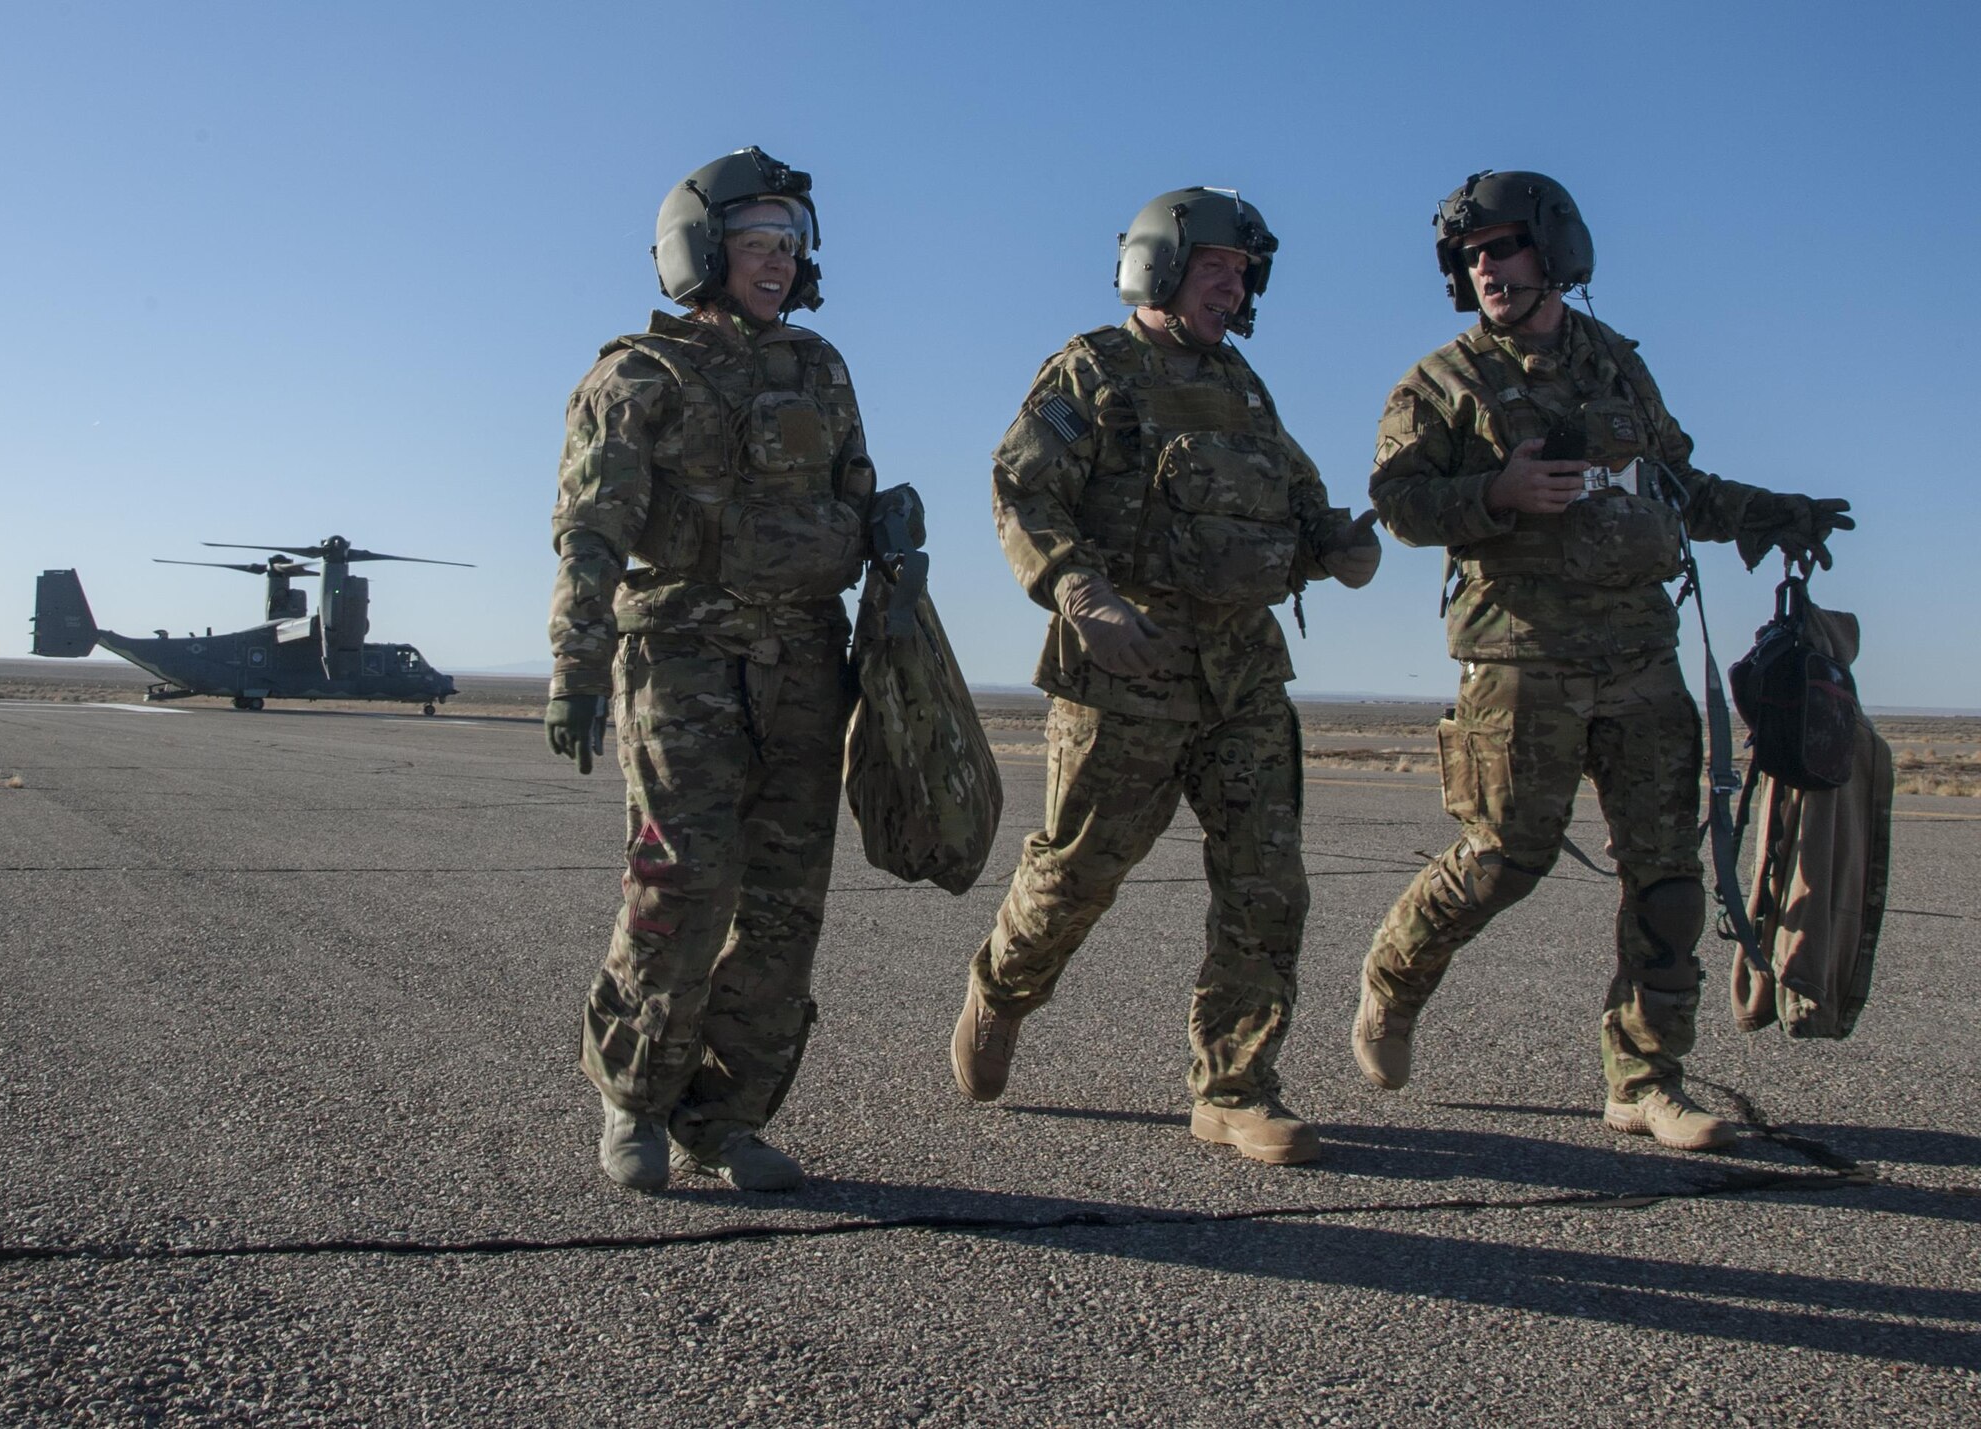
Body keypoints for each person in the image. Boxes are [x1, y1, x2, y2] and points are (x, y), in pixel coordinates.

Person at [1353, 170, 1853, 1151]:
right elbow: (1399, 501)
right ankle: (1393, 979)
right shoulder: (1439, 382)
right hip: (1517, 659)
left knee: (1666, 874)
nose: (1485, 267)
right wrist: (1495, 492)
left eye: (1502, 246)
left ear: (1553, 250)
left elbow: (1679, 487)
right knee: (1501, 861)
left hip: (1636, 653)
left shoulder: (1617, 368)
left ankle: (1643, 1075)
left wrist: (1776, 516)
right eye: (1471, 255)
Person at [949, 187, 1383, 1166]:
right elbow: (1021, 485)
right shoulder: (1093, 370)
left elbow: (1297, 501)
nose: (1232, 288)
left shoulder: (1243, 389)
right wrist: (1074, 590)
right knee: (1076, 873)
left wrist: (1334, 544)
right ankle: (1002, 988)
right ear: (1158, 265)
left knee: (1265, 884)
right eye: (1214, 267)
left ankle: (1234, 1087)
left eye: (1243, 272)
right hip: (1125, 668)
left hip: (1240, 674)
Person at [545, 146, 881, 1194]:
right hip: (684, 662)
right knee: (678, 886)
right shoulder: (634, 377)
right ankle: (634, 1097)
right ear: (701, 250)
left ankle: (723, 1115)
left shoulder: (819, 370)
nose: (775, 262)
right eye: (753, 242)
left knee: (784, 903)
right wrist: (575, 666)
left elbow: (855, 497)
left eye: (788, 244)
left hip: (804, 666)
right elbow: (590, 532)